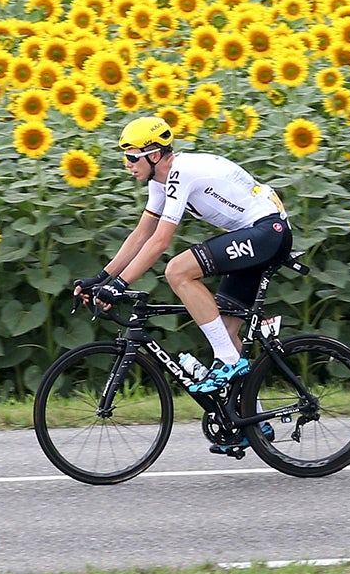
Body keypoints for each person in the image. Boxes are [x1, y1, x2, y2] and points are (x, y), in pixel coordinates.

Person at [78, 116, 292, 425]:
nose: (126, 164)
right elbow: (141, 235)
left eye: (131, 156)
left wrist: (120, 285)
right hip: (257, 235)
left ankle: (229, 362)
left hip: (267, 232)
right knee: (226, 333)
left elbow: (161, 241)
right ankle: (254, 422)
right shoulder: (159, 182)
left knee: (178, 271)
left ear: (154, 155)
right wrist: (102, 278)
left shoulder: (181, 173)